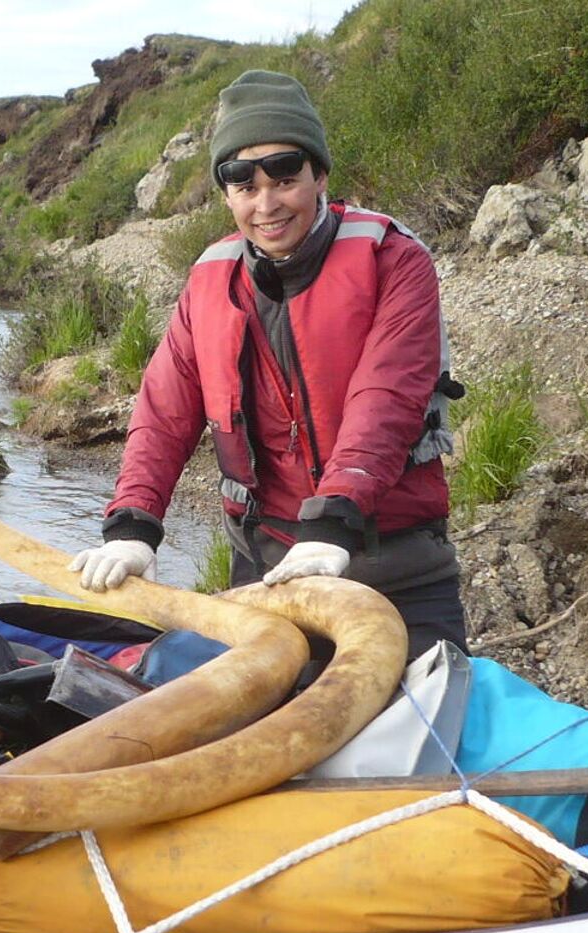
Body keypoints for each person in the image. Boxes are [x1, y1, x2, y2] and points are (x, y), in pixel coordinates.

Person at [69, 70, 468, 661]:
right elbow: (163, 411)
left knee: (430, 736)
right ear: (226, 194)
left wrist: (331, 525)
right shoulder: (209, 279)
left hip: (396, 572)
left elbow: (386, 400)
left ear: (320, 176)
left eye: (285, 179)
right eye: (245, 186)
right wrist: (133, 523)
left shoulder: (395, 261)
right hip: (264, 571)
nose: (267, 204)